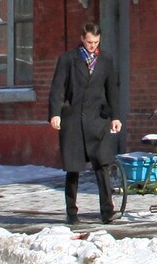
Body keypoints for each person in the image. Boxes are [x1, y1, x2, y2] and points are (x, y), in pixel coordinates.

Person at [49, 21, 123, 225]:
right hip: (73, 120)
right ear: (82, 39)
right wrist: (55, 114)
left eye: (96, 42)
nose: (92, 46)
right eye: (89, 42)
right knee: (73, 168)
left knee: (103, 166)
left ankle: (107, 211)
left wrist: (115, 116)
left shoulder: (105, 60)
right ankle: (71, 212)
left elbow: (112, 91)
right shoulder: (68, 60)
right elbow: (57, 89)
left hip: (97, 120)